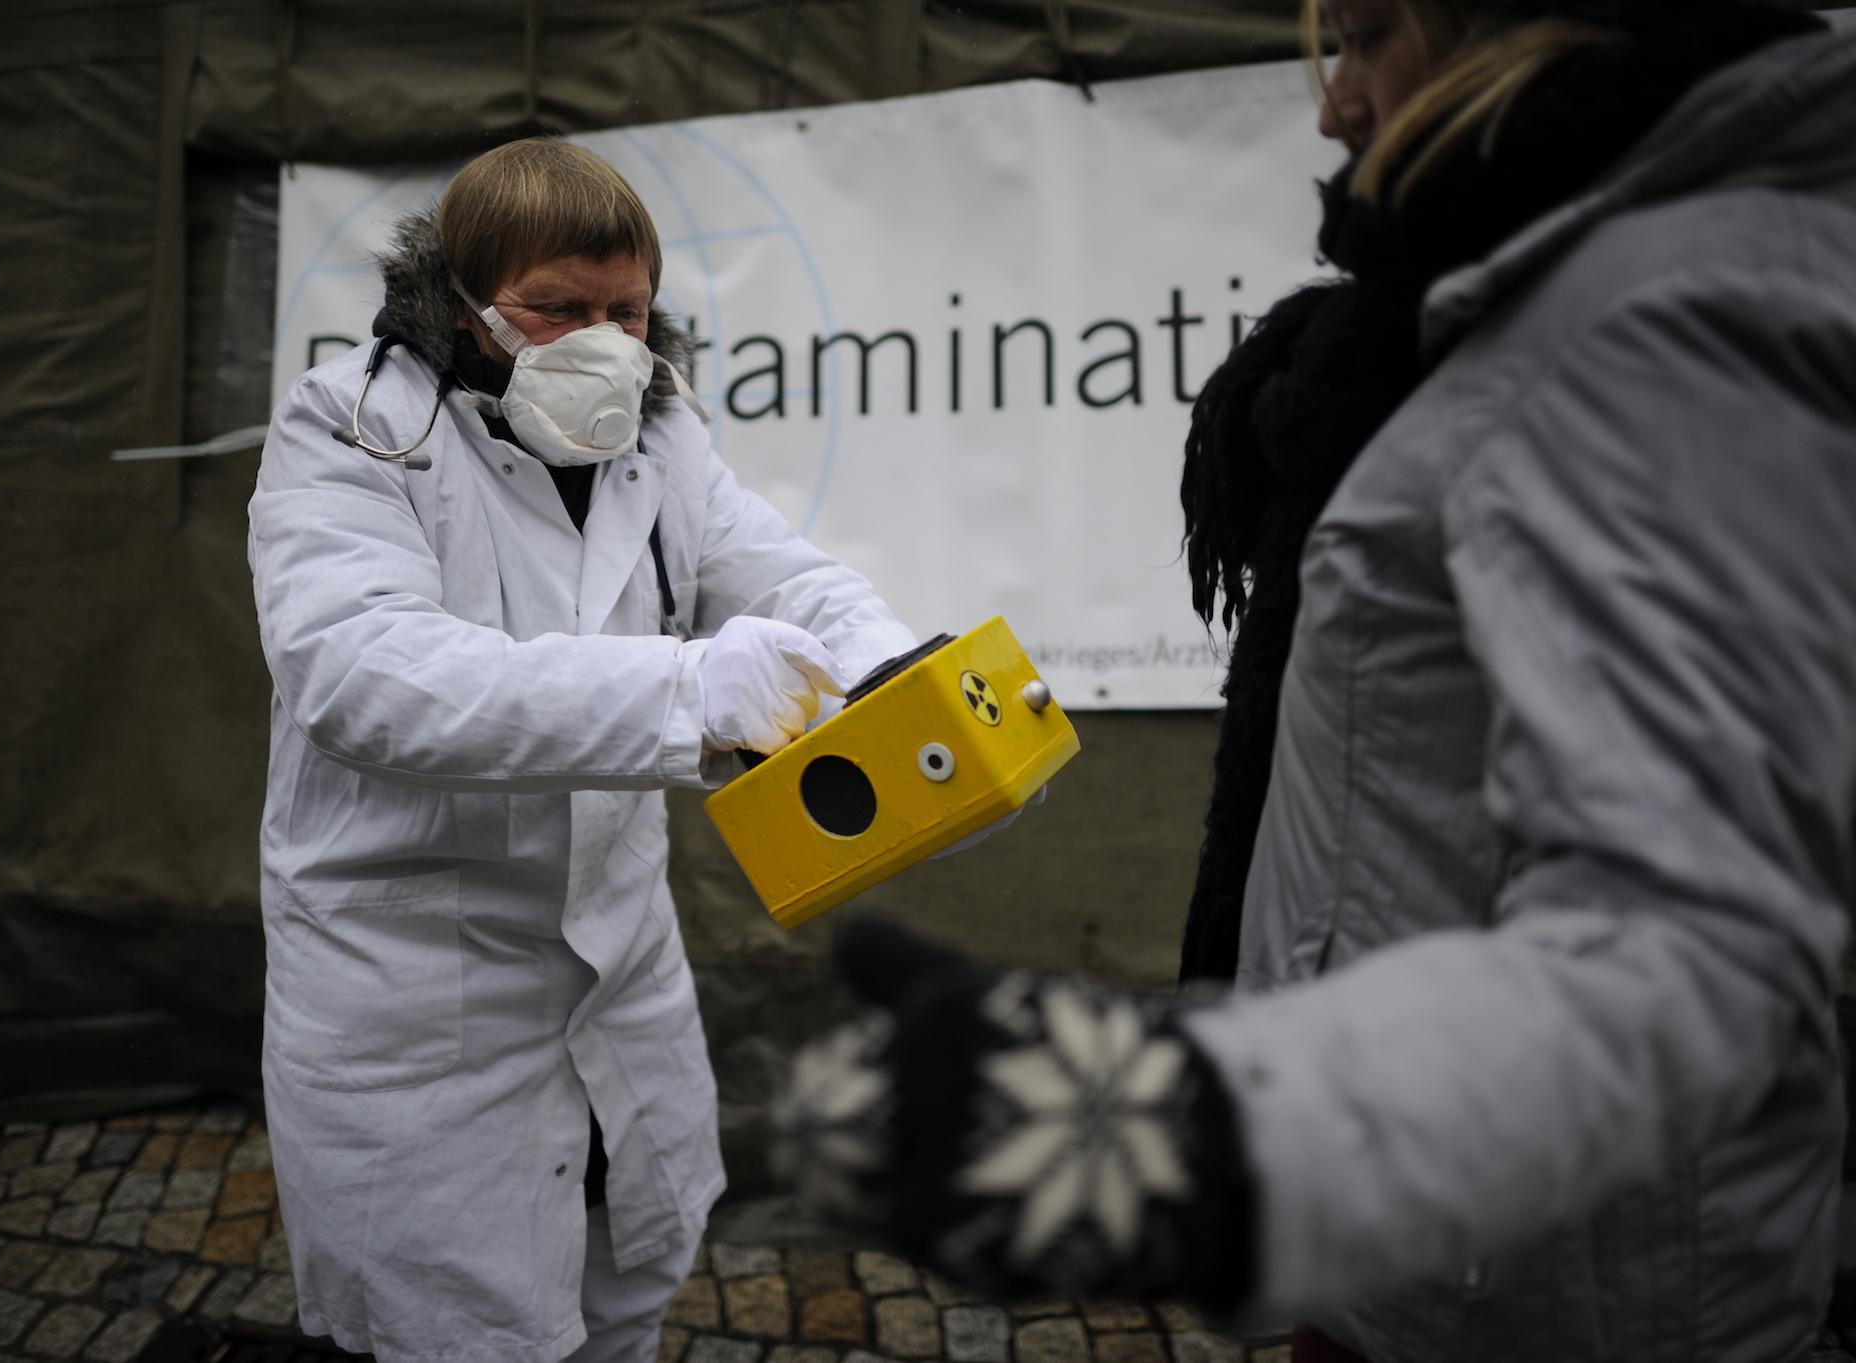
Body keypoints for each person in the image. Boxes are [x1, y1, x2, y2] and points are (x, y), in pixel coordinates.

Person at [775, 3, 1856, 1360]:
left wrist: (1216, 1133)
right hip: (1450, 1252)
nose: (1336, 104)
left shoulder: (1650, 319)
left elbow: (1687, 932)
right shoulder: (1504, 308)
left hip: (1534, 1287)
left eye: (1365, 34)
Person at [247, 137, 920, 1363]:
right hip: (422, 1005)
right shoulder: (351, 429)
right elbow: (363, 675)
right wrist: (689, 684)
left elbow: (784, 576)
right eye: (555, 310)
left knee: (626, 1284)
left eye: (628, 310)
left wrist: (884, 664)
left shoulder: (663, 435)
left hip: (618, 976)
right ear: (456, 301)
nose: (604, 342)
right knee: (460, 1334)